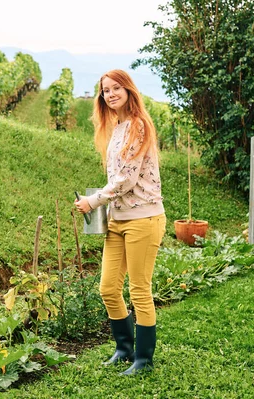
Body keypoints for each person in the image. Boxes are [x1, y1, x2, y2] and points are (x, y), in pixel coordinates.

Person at [75, 69, 166, 375]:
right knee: (108, 288)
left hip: (144, 218)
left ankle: (143, 359)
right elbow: (116, 177)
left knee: (139, 289)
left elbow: (125, 180)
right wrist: (102, 203)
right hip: (118, 219)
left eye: (116, 88)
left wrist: (93, 201)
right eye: (105, 90)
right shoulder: (117, 127)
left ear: (128, 90)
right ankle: (124, 349)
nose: (110, 94)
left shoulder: (138, 125)